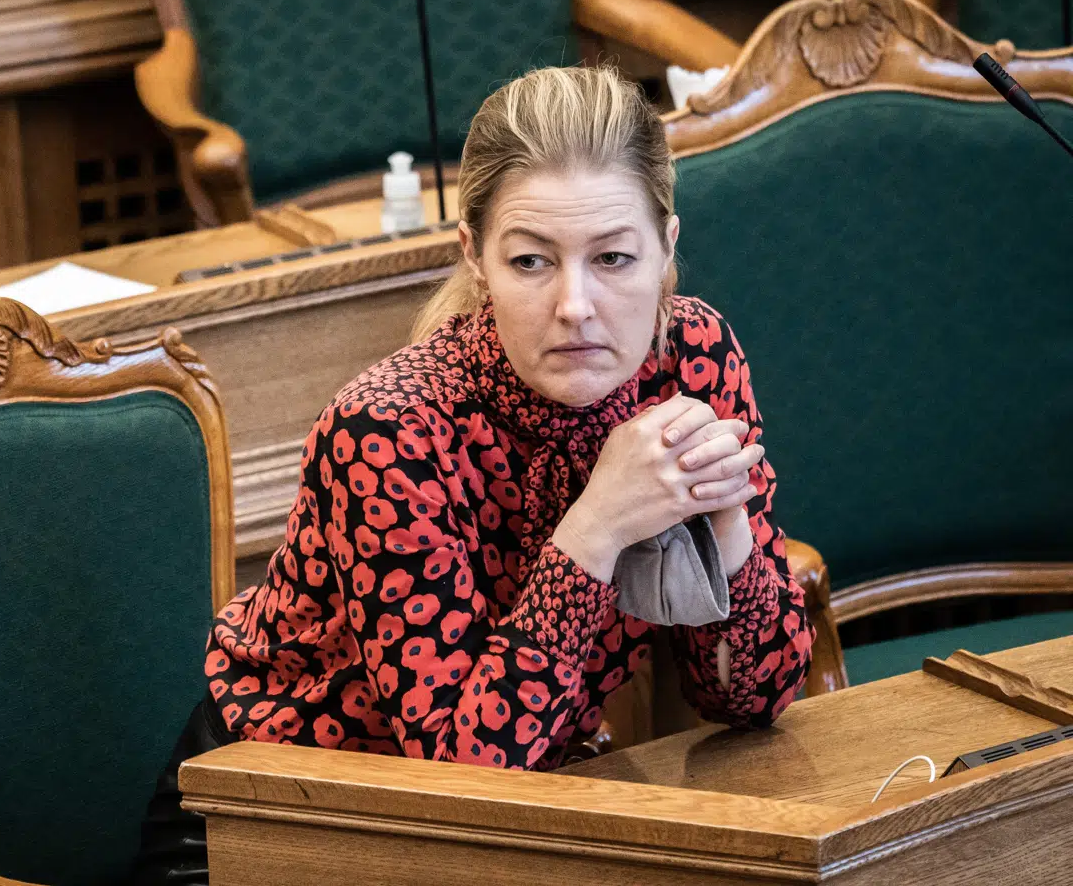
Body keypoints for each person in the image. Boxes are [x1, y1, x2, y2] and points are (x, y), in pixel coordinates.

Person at [129, 65, 813, 883]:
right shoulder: (388, 427)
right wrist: (597, 525)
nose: (576, 304)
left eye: (614, 257)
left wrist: (729, 520)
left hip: (517, 819)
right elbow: (460, 771)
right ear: (475, 257)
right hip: (270, 828)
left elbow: (756, 696)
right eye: (531, 262)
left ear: (666, 246)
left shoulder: (694, 357)